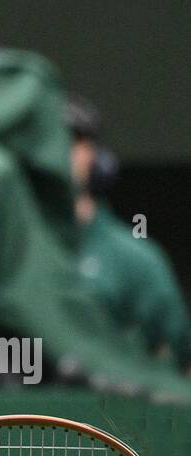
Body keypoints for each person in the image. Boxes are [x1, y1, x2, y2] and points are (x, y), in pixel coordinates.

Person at [68, 92, 191, 371]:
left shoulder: (134, 259)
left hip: (106, 412)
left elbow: (179, 362)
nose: (57, 153)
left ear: (94, 157)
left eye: (72, 142)